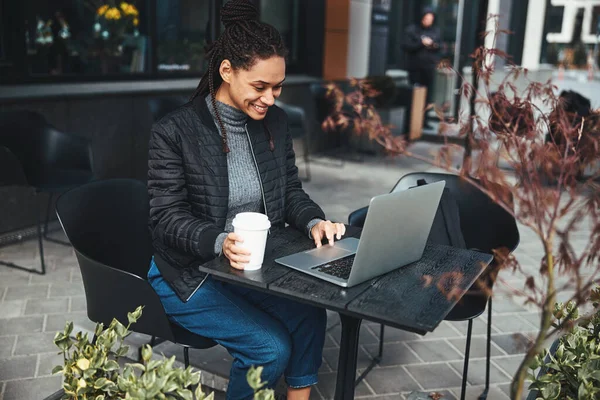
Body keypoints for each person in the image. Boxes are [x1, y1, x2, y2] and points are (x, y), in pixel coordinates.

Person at [146, 1, 346, 399]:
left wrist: (313, 222)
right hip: (187, 273)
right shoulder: (175, 132)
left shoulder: (275, 122)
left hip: (250, 268)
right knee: (270, 347)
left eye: (278, 87)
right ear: (226, 71)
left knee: (310, 313)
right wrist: (220, 242)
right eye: (260, 87)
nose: (271, 98)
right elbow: (165, 219)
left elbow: (290, 190)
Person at [403, 7, 440, 128]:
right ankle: (411, 122)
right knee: (414, 94)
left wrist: (432, 44)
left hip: (428, 68)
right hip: (415, 68)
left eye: (430, 19)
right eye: (426, 19)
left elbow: (439, 47)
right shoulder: (412, 30)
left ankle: (424, 121)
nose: (428, 21)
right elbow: (406, 46)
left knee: (427, 96)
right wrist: (421, 43)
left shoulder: (435, 31)